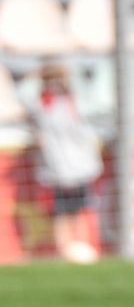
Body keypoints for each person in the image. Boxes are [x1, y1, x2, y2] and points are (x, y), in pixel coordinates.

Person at [27, 62, 102, 265]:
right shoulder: (41, 104)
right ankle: (63, 249)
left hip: (79, 165)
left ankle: (81, 245)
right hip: (57, 166)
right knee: (60, 210)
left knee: (79, 208)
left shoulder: (74, 102)